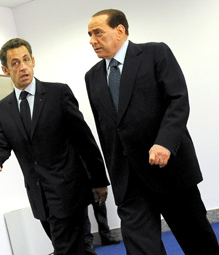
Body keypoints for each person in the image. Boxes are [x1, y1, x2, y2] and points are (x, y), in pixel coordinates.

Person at [85, 9, 219, 254]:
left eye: (98, 33)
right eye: (89, 35)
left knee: (198, 242)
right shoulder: (92, 76)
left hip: (168, 170)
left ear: (120, 30)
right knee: (141, 249)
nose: (92, 40)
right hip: (128, 182)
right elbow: (106, 130)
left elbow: (177, 100)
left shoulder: (155, 53)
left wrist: (165, 143)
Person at [0, 38, 110, 255]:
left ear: (33, 61)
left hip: (69, 192)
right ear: (5, 69)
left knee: (67, 250)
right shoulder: (3, 108)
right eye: (15, 63)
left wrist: (98, 180)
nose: (22, 66)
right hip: (40, 199)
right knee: (78, 250)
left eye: (25, 60)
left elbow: (84, 139)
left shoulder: (58, 94)